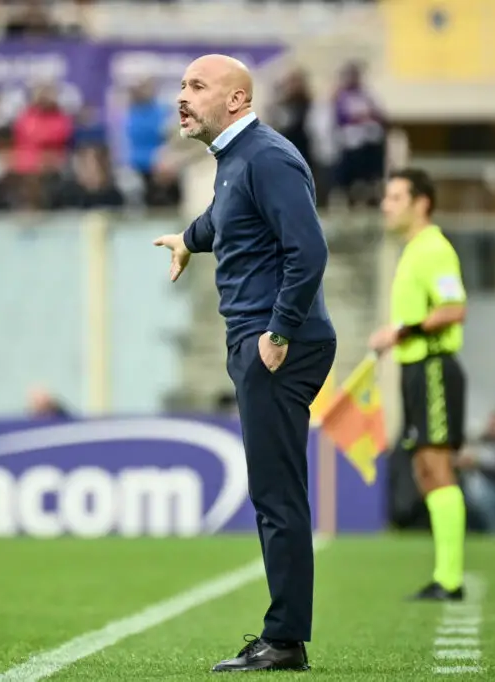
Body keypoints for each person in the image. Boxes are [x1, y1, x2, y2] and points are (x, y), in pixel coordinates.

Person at [153, 54, 335, 672]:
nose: (182, 96)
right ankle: (284, 635)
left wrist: (278, 331)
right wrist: (188, 240)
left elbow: (308, 251)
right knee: (272, 492)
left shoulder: (267, 157)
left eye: (197, 86)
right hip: (258, 339)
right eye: (181, 85)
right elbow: (224, 219)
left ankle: (284, 640)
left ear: (236, 100)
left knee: (277, 495)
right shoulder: (237, 160)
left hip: (276, 341)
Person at [368, 168, 468, 601]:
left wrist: (400, 332)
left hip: (433, 366)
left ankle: (451, 579)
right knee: (425, 469)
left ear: (421, 203)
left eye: (395, 198)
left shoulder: (433, 249)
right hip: (415, 369)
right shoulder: (413, 250)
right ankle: (445, 575)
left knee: (437, 465)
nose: (386, 206)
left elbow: (454, 308)